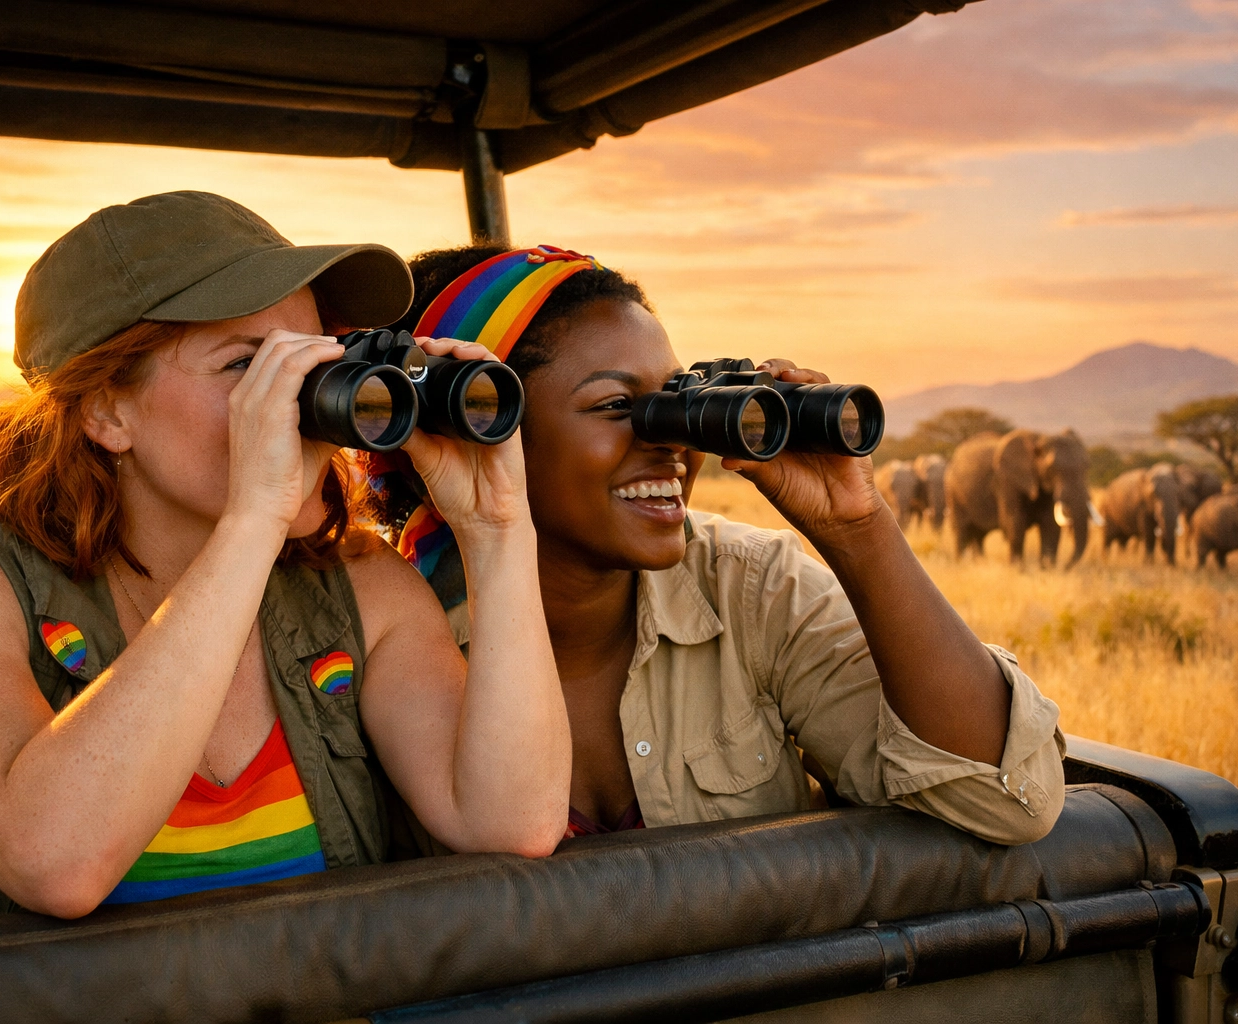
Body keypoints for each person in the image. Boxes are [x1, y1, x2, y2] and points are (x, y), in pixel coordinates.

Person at [0, 194, 570, 935]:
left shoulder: (362, 588)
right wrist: (252, 521)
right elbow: (56, 862)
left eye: (312, 359)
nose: (296, 399)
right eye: (248, 364)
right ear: (107, 412)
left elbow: (513, 823)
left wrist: (496, 527)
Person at [365, 245, 1065, 844]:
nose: (672, 439)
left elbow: (1006, 802)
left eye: (676, 398)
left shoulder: (748, 587)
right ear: (471, 424)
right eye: (615, 406)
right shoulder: (383, 632)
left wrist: (858, 530)